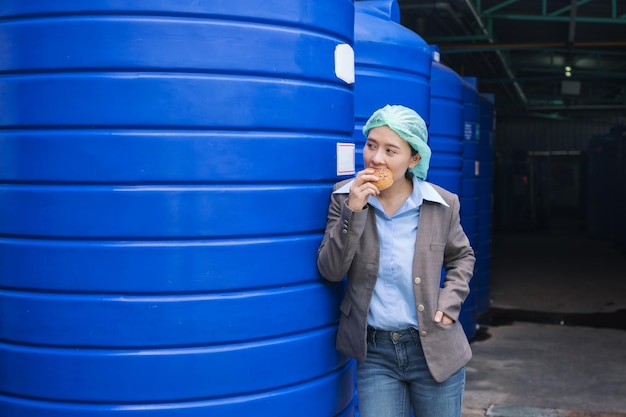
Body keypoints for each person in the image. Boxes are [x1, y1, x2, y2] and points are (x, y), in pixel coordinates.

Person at [317, 105, 475, 417]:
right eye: (371, 145)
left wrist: (450, 301)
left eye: (391, 150)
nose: (376, 158)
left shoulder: (441, 205)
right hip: (376, 352)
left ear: (414, 159)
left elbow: (462, 257)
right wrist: (354, 210)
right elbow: (331, 270)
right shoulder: (343, 197)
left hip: (434, 346)